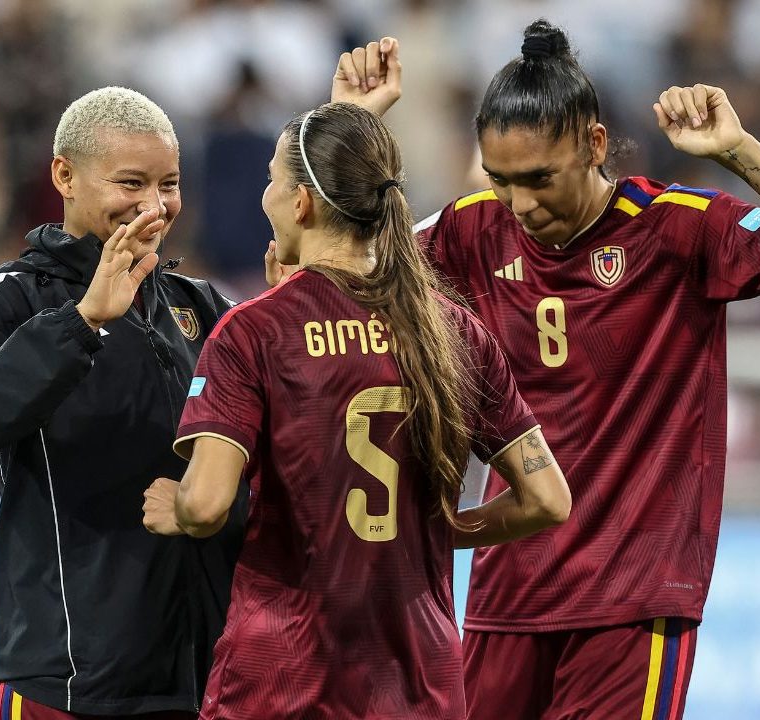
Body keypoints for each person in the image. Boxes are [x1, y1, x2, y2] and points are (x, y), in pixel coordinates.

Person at [324, 23, 760, 720]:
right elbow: (333, 275)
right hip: (508, 593)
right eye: (501, 182)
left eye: (538, 179)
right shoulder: (473, 230)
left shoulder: (677, 229)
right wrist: (353, 124)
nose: (522, 206)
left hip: (633, 597)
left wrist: (738, 149)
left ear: (594, 145)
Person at [142, 101, 571, 720]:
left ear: (302, 203)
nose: (263, 195)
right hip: (420, 683)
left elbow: (207, 505)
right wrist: (432, 532)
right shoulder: (453, 329)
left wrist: (177, 510)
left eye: (272, 180)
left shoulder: (252, 332)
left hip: (282, 682)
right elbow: (547, 500)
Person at [0, 87, 246, 718]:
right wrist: (84, 322)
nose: (154, 207)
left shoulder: (200, 305)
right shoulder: (11, 300)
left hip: (200, 672)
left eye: (169, 184)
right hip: (69, 680)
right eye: (131, 182)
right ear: (65, 176)